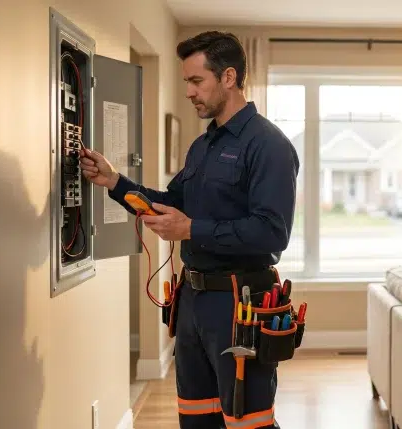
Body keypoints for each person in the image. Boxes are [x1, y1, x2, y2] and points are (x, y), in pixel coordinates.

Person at [80, 30, 299, 429]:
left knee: (247, 421)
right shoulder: (204, 146)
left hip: (240, 303)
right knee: (197, 419)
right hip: (193, 302)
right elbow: (172, 202)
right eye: (187, 82)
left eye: (197, 81)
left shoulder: (269, 145)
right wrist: (115, 182)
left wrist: (192, 230)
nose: (190, 92)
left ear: (228, 77)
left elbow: (271, 232)